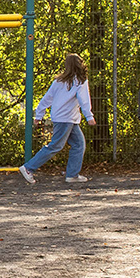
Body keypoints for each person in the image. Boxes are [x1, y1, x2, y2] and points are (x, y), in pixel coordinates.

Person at [18, 54, 97, 184]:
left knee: (79, 144)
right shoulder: (80, 82)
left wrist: (39, 115)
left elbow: (47, 98)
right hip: (67, 119)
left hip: (63, 118)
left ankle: (72, 175)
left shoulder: (59, 81)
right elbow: (84, 100)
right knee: (55, 145)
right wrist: (89, 117)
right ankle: (28, 168)